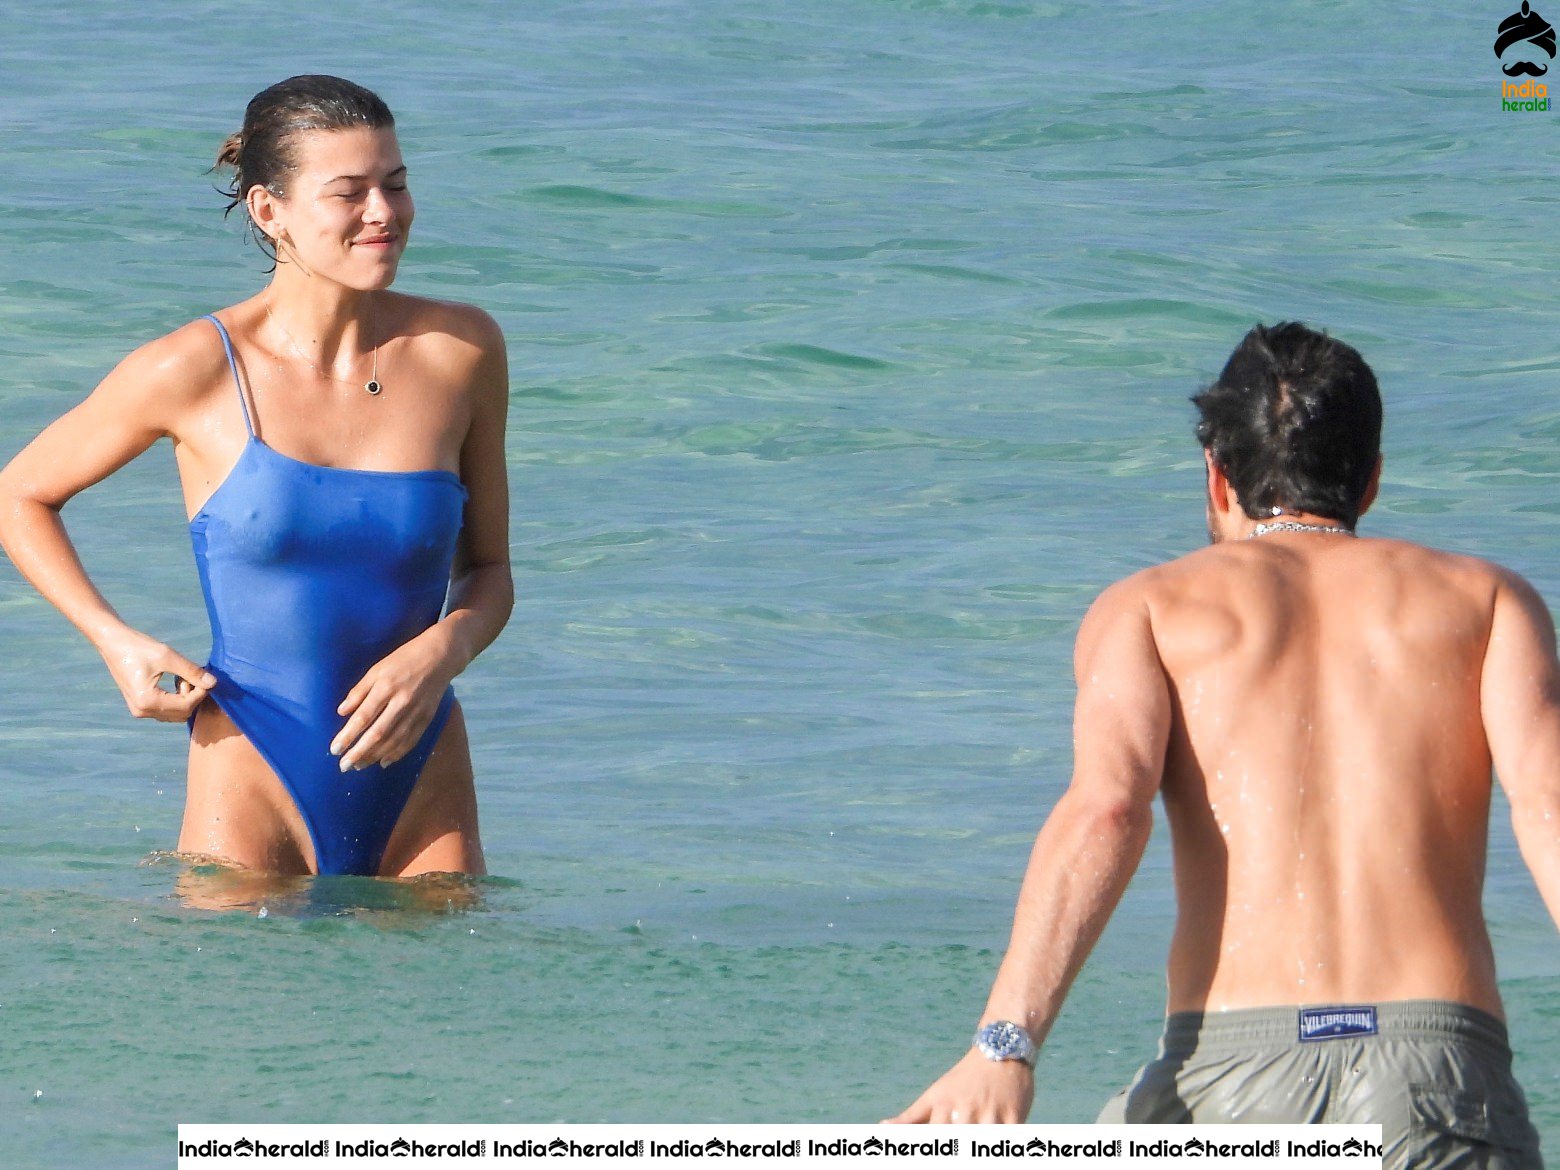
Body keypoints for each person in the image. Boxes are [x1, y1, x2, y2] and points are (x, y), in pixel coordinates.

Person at [887, 323, 1555, 1165]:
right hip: (1441, 1072)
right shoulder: (1490, 601)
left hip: (1234, 1079)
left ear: (1217, 477)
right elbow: (1549, 804)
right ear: (1373, 478)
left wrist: (1004, 1047)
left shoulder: (1150, 608)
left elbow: (1108, 810)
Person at [0, 76, 512, 880]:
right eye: (350, 193)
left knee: (455, 1006)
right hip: (249, 770)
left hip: (423, 779)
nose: (384, 212)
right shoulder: (196, 368)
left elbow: (490, 571)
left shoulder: (464, 352)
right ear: (270, 211)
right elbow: (19, 494)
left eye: (397, 184)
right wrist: (115, 641)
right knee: (228, 1005)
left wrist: (444, 649)